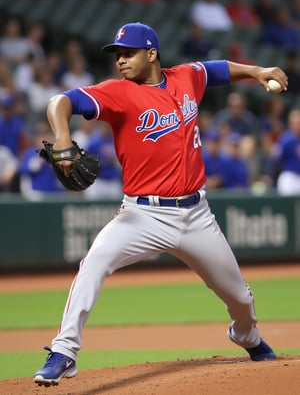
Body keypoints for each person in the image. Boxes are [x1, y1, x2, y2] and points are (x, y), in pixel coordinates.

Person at [33, 21, 287, 387]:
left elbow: (216, 70)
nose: (120, 60)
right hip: (143, 215)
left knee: (241, 298)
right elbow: (61, 101)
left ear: (151, 53)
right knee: (94, 263)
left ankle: (246, 336)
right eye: (117, 54)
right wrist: (61, 135)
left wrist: (256, 71)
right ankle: (64, 351)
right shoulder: (118, 93)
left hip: (198, 216)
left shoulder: (185, 78)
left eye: (128, 53)